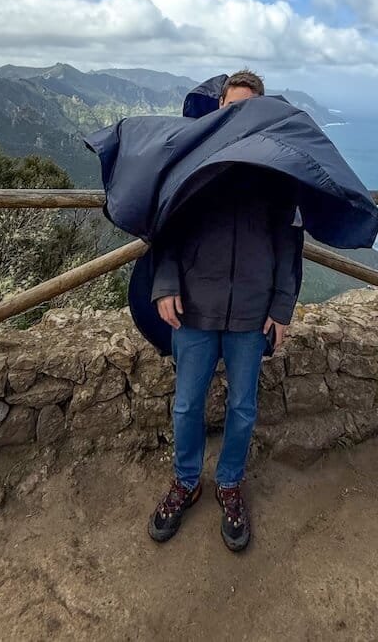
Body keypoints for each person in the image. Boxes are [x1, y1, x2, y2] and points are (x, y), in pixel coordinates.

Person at [146, 69, 303, 552]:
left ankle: (229, 483)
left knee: (243, 406)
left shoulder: (277, 171)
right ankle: (186, 480)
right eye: (230, 107)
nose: (236, 115)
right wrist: (167, 281)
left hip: (252, 311)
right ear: (219, 108)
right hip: (194, 303)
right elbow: (165, 223)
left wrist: (281, 306)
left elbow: (289, 241)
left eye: (246, 109)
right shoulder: (197, 161)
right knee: (187, 404)